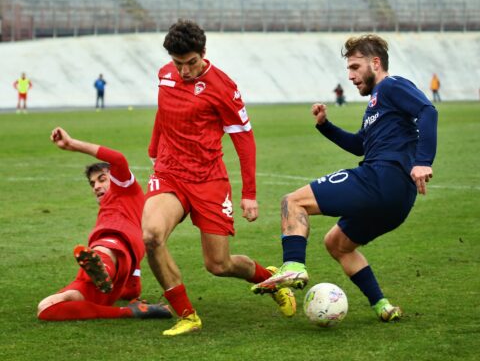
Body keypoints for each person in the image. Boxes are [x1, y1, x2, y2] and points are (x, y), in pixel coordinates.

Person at [251, 34, 438, 322]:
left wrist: (423, 161)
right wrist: (325, 126)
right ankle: (381, 305)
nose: (350, 76)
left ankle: (293, 266)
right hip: (397, 201)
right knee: (337, 243)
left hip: (381, 177)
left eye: (354, 67)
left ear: (375, 63)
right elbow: (360, 145)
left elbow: (428, 110)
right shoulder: (377, 104)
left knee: (293, 201)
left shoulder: (391, 85)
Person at [142, 20, 295, 336]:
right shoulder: (164, 76)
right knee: (152, 236)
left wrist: (249, 193)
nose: (184, 71)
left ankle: (269, 277)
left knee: (218, 265)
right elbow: (162, 111)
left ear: (204, 53)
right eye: (178, 63)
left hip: (208, 181)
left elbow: (244, 138)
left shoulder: (223, 87)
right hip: (170, 174)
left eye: (191, 63)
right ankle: (187, 315)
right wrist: (154, 149)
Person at [38, 127, 172, 321]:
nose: (97, 186)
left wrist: (72, 144)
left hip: (113, 247)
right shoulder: (123, 210)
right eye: (93, 184)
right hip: (114, 273)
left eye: (102, 179)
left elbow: (118, 159)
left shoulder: (126, 190)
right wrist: (132, 290)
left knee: (104, 246)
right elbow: (133, 285)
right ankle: (126, 309)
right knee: (45, 308)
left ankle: (101, 266)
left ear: (116, 179)